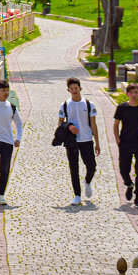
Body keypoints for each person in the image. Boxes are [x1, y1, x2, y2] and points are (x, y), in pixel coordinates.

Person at [59, 77, 100, 205]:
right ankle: (77, 195)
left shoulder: (88, 104)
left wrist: (97, 142)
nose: (74, 90)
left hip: (86, 139)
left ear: (80, 88)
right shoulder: (65, 105)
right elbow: (60, 123)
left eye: (76, 88)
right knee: (74, 168)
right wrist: (69, 126)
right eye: (71, 89)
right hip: (72, 140)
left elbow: (93, 124)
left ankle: (87, 182)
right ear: (68, 90)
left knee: (92, 166)